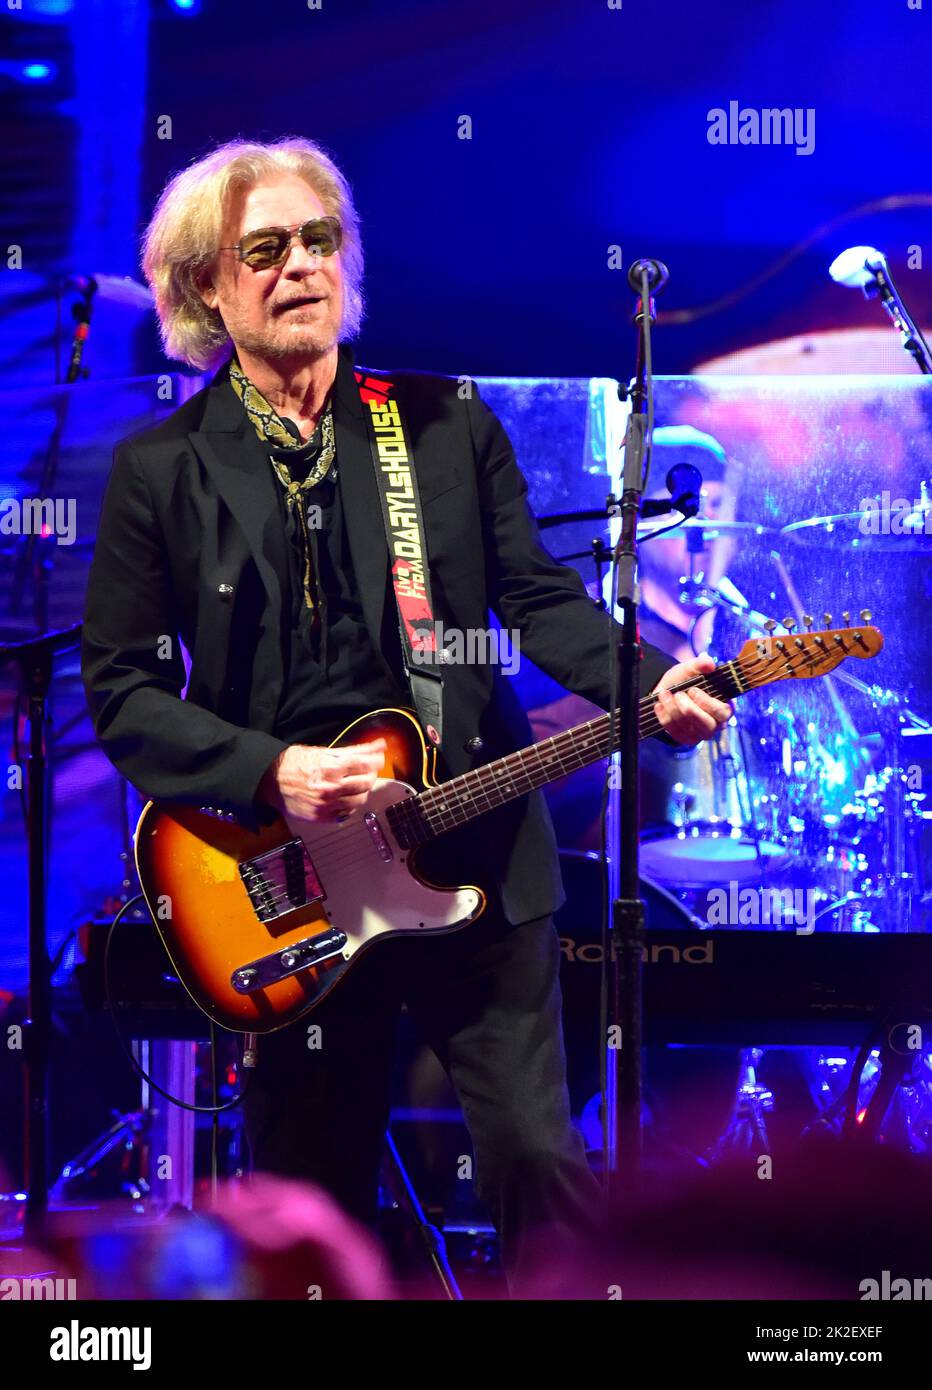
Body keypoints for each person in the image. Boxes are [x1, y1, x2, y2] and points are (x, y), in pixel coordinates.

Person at [81, 135, 732, 1297]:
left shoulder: (438, 427)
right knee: (311, 1193)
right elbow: (121, 691)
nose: (300, 269)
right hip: (284, 885)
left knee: (538, 1158)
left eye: (319, 242)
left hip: (470, 853)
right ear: (206, 289)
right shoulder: (161, 470)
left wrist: (647, 681)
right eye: (265, 250)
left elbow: (536, 598)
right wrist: (268, 770)